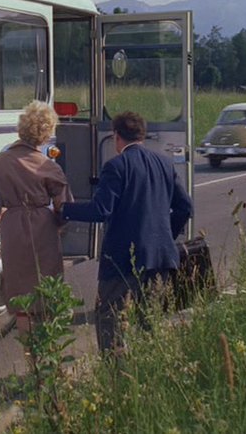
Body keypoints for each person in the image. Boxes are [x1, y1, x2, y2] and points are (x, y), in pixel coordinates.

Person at [62, 111, 193, 353]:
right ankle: (149, 370)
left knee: (110, 319)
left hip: (122, 260)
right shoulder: (164, 163)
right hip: (160, 258)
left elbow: (101, 210)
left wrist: (64, 209)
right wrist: (166, 236)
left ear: (116, 136)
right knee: (150, 322)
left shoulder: (116, 166)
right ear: (142, 135)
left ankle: (115, 374)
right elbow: (185, 207)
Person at [0, 101, 73, 333]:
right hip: (43, 227)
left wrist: (3, 214)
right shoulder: (48, 166)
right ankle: (47, 352)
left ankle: (29, 353)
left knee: (21, 294)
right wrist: (59, 224)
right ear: (44, 133)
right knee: (46, 286)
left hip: (12, 228)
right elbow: (65, 206)